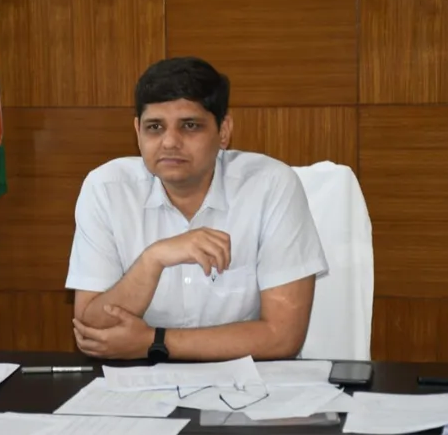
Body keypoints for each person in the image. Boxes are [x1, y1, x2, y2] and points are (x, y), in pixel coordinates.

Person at [65, 56, 328, 362]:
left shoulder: (271, 186)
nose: (169, 142)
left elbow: (283, 337)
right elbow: (91, 329)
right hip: (140, 383)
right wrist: (153, 260)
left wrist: (154, 342)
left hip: (248, 381)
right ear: (137, 131)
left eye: (190, 126)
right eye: (154, 127)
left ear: (223, 131)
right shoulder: (106, 189)